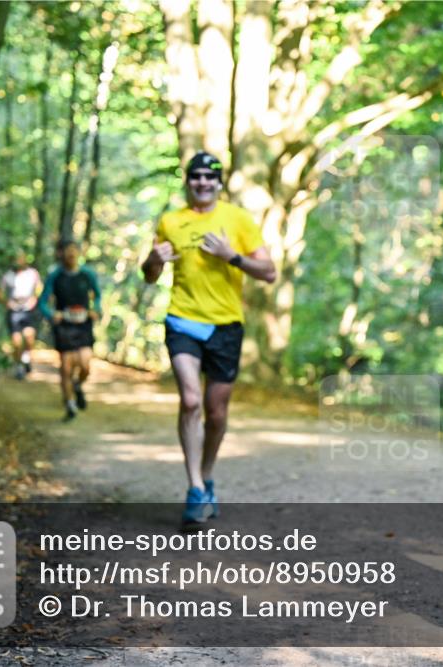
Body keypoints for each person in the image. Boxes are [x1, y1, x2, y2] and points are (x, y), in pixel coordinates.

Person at [141, 151, 276, 527]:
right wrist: (153, 259)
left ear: (219, 182)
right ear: (187, 181)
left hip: (225, 326)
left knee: (216, 413)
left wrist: (232, 256)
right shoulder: (171, 221)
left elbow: (269, 273)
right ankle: (195, 488)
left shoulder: (238, 220)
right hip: (183, 320)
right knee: (190, 400)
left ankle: (209, 474)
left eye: (209, 176)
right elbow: (150, 276)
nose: (202, 182)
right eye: (195, 176)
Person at [39, 239, 102, 421]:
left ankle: (77, 385)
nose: (71, 254)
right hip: (64, 326)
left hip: (83, 325)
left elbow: (97, 296)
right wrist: (52, 314)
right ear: (61, 254)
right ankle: (70, 405)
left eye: (74, 250)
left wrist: (95, 310)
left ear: (79, 253)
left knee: (85, 365)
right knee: (66, 367)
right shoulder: (55, 275)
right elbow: (43, 302)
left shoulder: (87, 274)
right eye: (67, 251)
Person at [0, 250, 42, 379]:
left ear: (25, 259)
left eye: (20, 257)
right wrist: (7, 302)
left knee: (29, 337)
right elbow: (0, 291)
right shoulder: (8, 276)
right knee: (16, 341)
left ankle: (26, 358)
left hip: (29, 309)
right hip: (14, 310)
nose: (18, 260)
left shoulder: (32, 273)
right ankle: (18, 366)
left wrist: (34, 299)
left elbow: (40, 287)